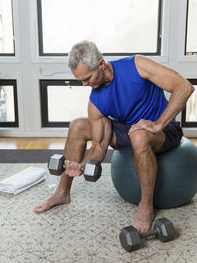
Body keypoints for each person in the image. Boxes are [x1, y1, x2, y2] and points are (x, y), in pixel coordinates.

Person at [34, 40, 194, 233]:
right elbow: (99, 147)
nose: (85, 85)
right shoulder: (96, 100)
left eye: (88, 78)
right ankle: (62, 192)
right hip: (129, 130)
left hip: (164, 130)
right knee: (77, 126)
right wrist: (81, 166)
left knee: (139, 136)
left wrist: (158, 123)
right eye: (81, 80)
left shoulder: (137, 65)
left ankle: (146, 208)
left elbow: (184, 87)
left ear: (101, 64)